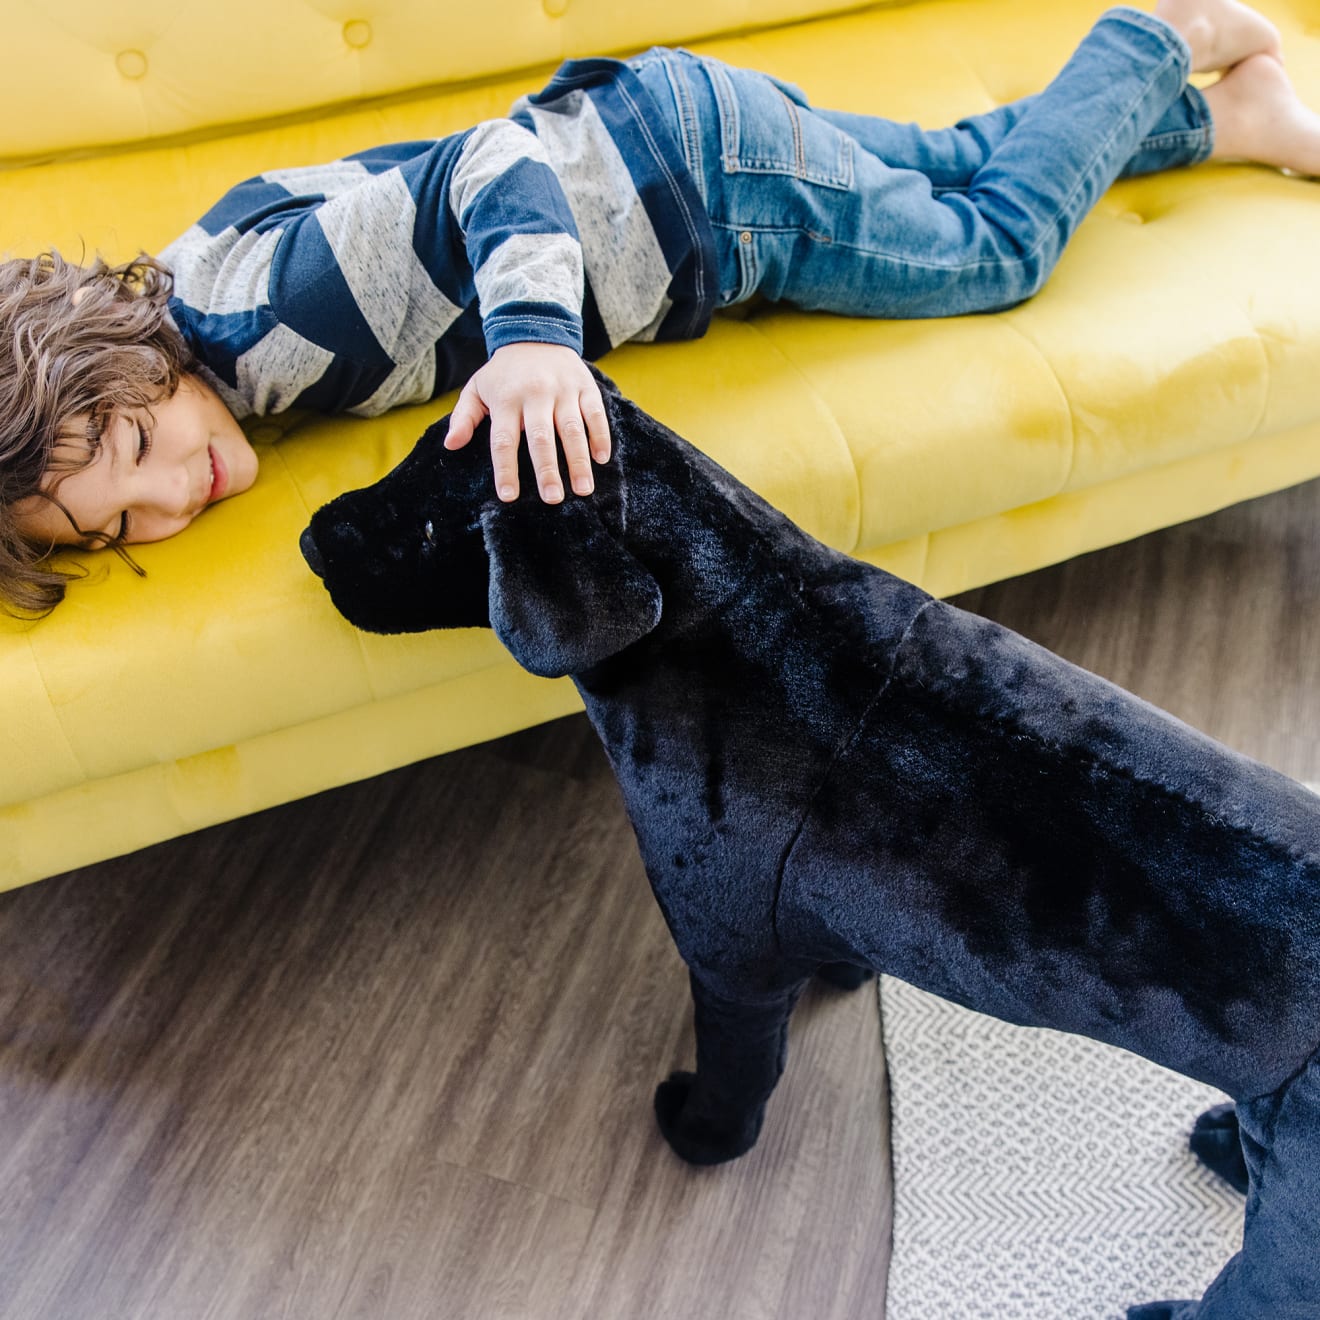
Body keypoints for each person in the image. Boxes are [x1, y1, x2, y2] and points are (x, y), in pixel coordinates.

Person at [1, 0, 1316, 614]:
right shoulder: (187, 280)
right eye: (121, 527)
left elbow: (486, 163)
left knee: (987, 248)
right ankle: (1225, 121)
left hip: (702, 203)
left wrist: (529, 349)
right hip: (670, 125)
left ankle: (1149, 39)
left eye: (132, 458)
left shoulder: (277, 325)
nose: (169, 503)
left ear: (109, 358)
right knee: (950, 162)